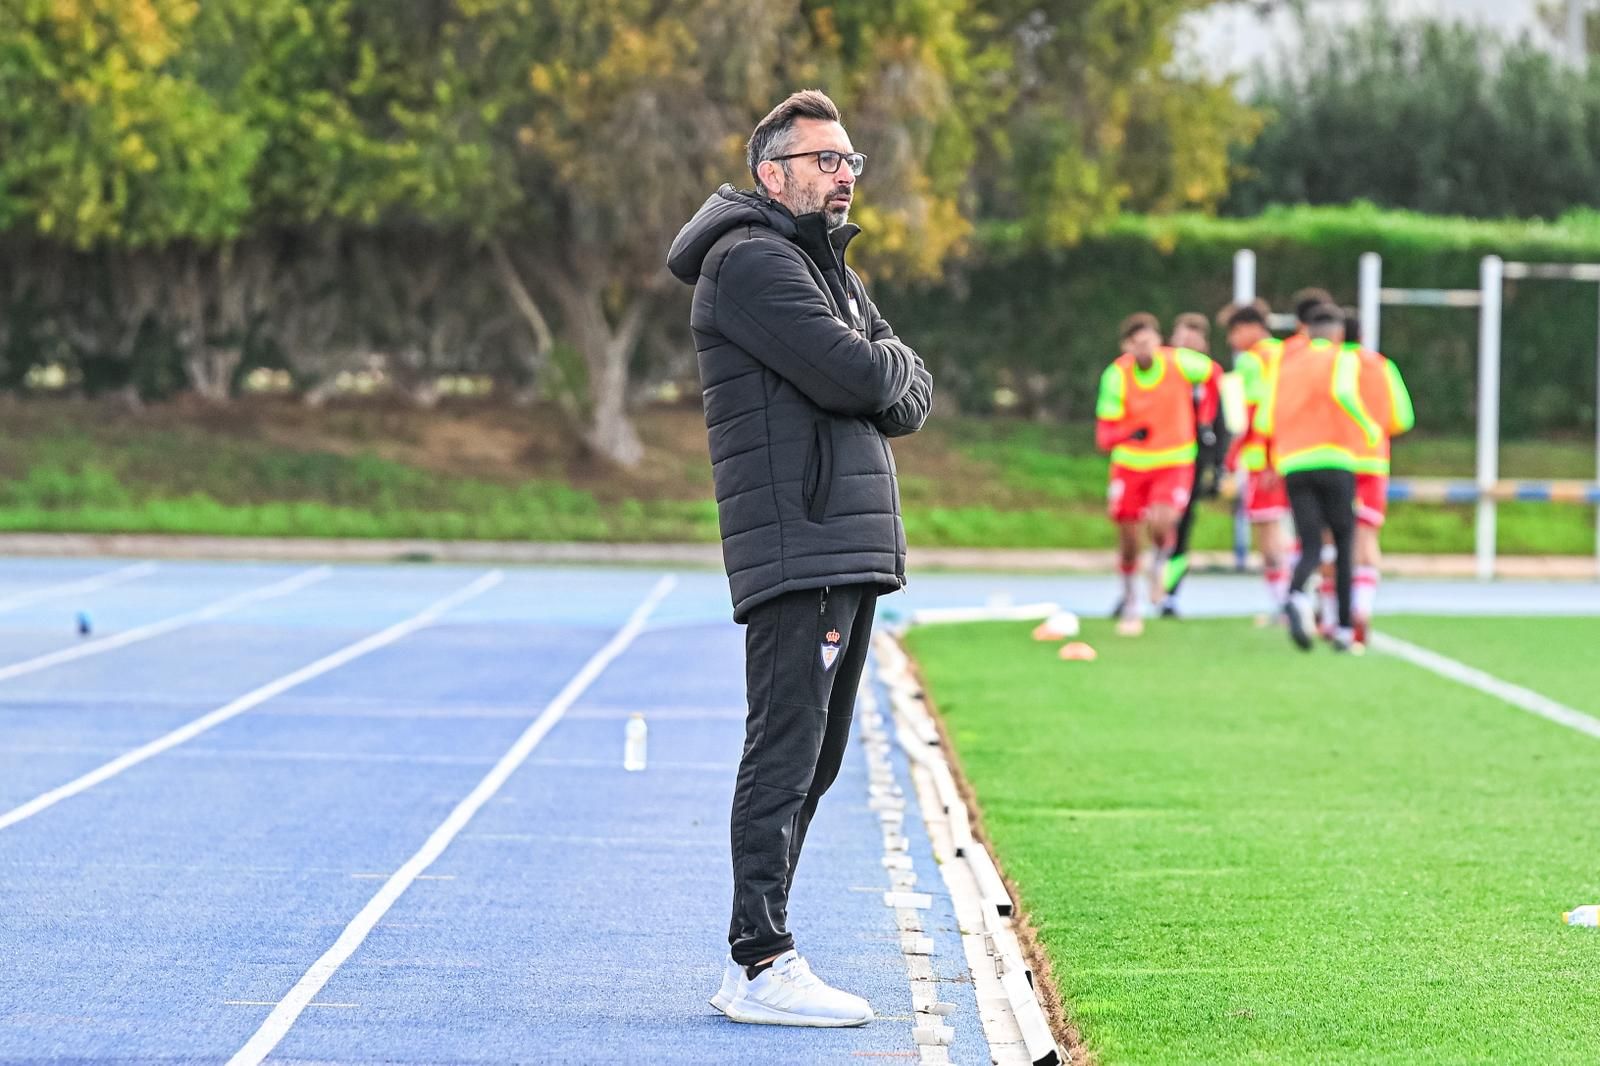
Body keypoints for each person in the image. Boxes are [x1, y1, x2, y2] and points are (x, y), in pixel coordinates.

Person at [666, 89, 934, 1028]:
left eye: (851, 160)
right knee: (785, 747)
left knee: (814, 759)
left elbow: (911, 394)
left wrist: (877, 358)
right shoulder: (749, 265)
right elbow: (866, 375)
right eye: (825, 160)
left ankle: (764, 950)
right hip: (800, 538)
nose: (844, 175)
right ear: (771, 173)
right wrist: (876, 358)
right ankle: (761, 958)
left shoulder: (828, 267)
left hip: (842, 542)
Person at [1254, 303, 1382, 653]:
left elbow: (1264, 419)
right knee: (1343, 541)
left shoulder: (1285, 364)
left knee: (1309, 541)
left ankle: (1295, 594)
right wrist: (1369, 427)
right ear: (1338, 334)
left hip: (1294, 462)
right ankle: (1342, 629)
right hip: (1336, 457)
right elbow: (1342, 393)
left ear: (1306, 333)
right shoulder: (1342, 358)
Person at [1096, 312, 1220, 636]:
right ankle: (1129, 597)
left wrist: (1204, 415)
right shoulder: (1117, 374)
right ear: (1127, 346)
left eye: (1150, 341)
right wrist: (1128, 434)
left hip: (1174, 460)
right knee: (1128, 539)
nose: (1146, 349)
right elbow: (1105, 433)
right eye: (1137, 343)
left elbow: (1215, 376)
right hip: (1131, 464)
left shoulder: (1179, 362)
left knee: (1164, 520)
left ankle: (1158, 570)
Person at [1342, 307, 1415, 645]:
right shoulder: (1383, 366)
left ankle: (1330, 615)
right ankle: (1363, 607)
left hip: (1336, 459)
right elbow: (1403, 418)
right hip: (1373, 462)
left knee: (1331, 538)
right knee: (1367, 537)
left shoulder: (1329, 365)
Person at [1220, 300, 1290, 618]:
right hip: (1297, 451)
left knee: (1267, 528)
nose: (1231, 340)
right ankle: (1303, 594)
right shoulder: (1289, 351)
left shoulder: (1251, 361)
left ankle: (1283, 601)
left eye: (1233, 331)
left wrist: (1232, 462)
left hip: (1264, 458)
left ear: (1250, 328)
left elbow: (1249, 416)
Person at [1157, 312, 1229, 617]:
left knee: (1182, 525)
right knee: (1153, 525)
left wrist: (1218, 465)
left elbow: (1222, 422)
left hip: (1193, 458)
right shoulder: (1158, 368)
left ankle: (1169, 593)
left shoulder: (1211, 375)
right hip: (1156, 456)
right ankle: (1143, 585)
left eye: (1193, 339)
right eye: (1182, 338)